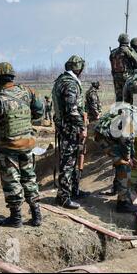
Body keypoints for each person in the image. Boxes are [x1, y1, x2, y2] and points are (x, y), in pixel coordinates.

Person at [0, 62, 43, 227]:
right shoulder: (28, 92)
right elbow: (39, 112)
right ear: (12, 77)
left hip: (9, 147)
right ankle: (36, 215)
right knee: (29, 178)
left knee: (11, 181)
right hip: (28, 144)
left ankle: (15, 218)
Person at [52, 55, 89, 209]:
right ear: (78, 68)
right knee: (68, 162)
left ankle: (74, 190)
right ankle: (63, 197)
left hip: (66, 126)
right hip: (70, 128)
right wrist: (82, 127)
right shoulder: (70, 84)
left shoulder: (62, 80)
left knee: (72, 159)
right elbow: (71, 110)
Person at [94, 105, 137, 212]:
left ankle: (117, 188)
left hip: (104, 134)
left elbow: (129, 140)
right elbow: (126, 138)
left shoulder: (130, 110)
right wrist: (128, 158)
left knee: (122, 160)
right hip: (105, 137)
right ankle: (123, 203)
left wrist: (132, 156)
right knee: (124, 165)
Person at [109, 34, 137, 102]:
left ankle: (118, 111)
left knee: (119, 96)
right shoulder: (127, 50)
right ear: (127, 41)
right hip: (127, 76)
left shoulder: (113, 52)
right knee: (132, 96)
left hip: (116, 77)